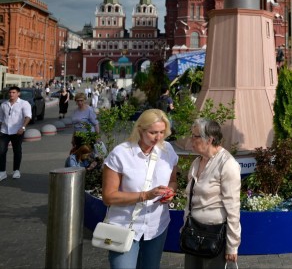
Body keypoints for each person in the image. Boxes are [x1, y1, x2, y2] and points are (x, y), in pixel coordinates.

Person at [102, 109, 179, 269]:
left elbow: (173, 181)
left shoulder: (167, 150)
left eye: (162, 132)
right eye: (153, 133)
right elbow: (108, 197)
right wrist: (145, 195)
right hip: (124, 225)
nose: (158, 137)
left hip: (157, 226)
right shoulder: (121, 153)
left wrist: (170, 192)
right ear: (140, 129)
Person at [184, 119, 241, 268]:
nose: (191, 139)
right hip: (193, 233)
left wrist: (232, 245)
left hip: (214, 237)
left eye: (195, 136)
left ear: (209, 139)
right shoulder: (196, 162)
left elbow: (233, 208)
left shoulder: (227, 164)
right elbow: (190, 198)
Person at [0, 86, 32, 181]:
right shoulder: (4, 104)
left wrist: (23, 127)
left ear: (18, 93)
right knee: (1, 151)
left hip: (17, 131)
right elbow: (1, 118)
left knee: (17, 151)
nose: (11, 94)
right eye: (10, 92)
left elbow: (28, 116)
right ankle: (2, 172)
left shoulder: (24, 103)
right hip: (4, 131)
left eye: (13, 92)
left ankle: (16, 170)